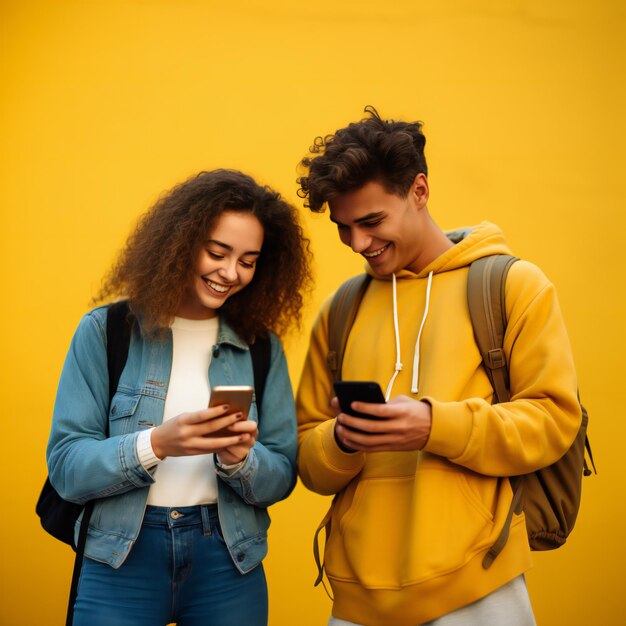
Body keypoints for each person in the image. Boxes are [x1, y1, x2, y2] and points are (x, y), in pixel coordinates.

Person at [295, 107, 582, 626]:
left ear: (419, 191)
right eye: (344, 228)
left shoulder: (513, 286)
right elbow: (308, 458)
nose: (359, 244)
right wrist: (342, 439)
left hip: (479, 586)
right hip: (358, 600)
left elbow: (553, 421)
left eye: (372, 221)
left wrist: (433, 425)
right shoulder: (342, 309)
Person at [46, 169, 312, 626]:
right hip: (121, 556)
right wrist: (158, 444)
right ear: (181, 242)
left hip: (229, 559)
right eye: (217, 252)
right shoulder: (105, 331)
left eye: (248, 261)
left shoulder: (261, 347)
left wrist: (239, 460)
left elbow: (284, 473)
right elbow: (67, 469)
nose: (230, 273)